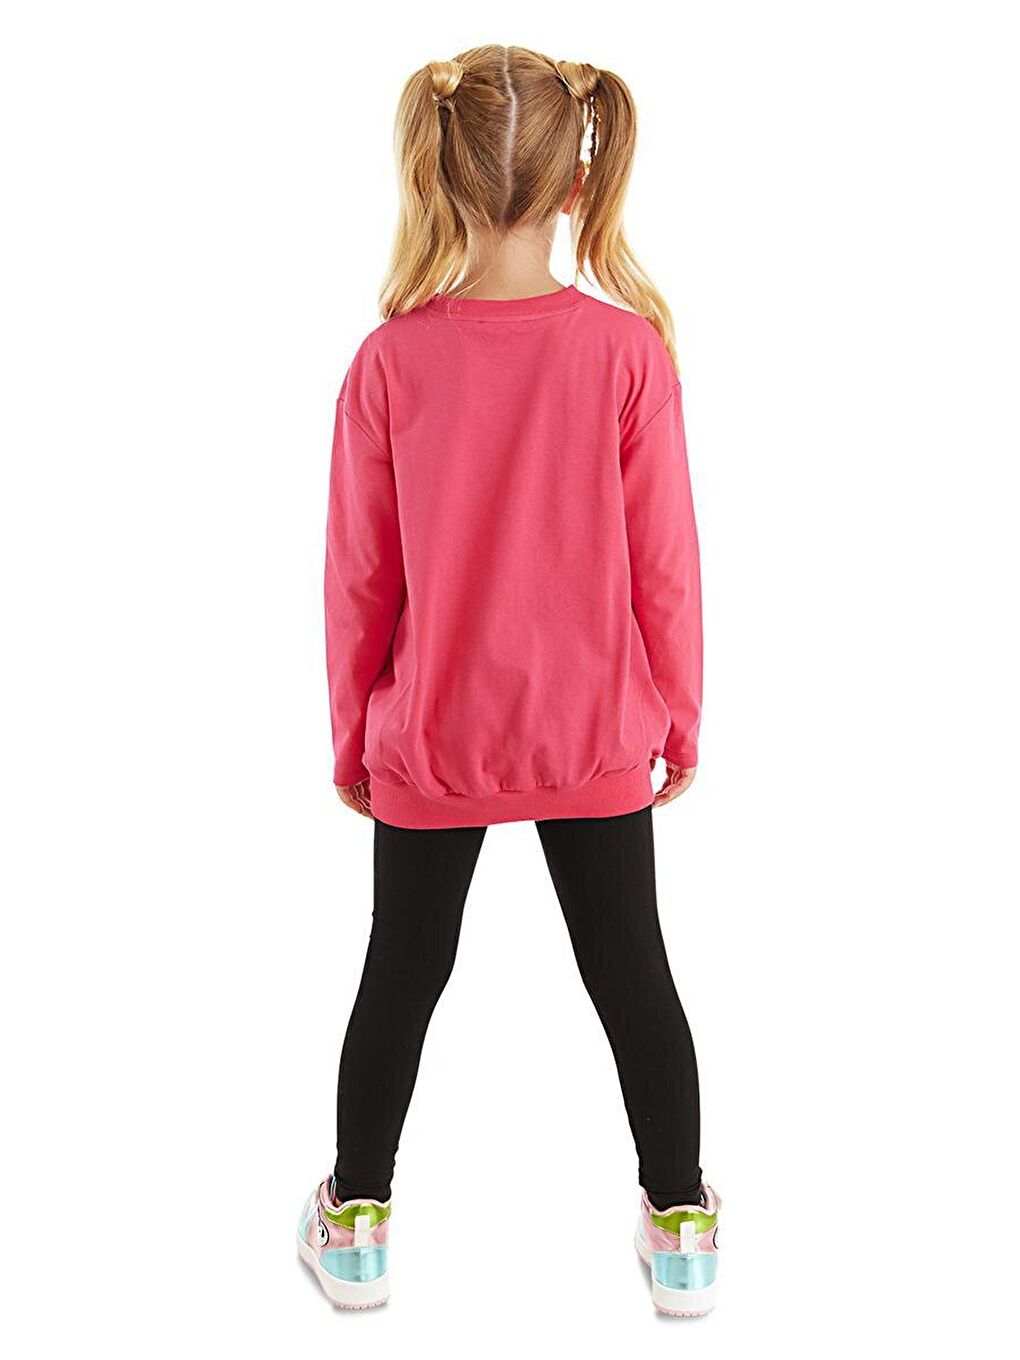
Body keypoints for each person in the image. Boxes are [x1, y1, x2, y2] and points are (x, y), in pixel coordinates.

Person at [296, 44, 720, 1317]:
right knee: (634, 975)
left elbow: (359, 578)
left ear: (436, 174)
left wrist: (352, 738)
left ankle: (355, 1224)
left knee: (400, 974)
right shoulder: (627, 354)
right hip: (595, 734)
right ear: (578, 183)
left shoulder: (389, 363)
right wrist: (680, 717)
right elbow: (668, 562)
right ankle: (684, 1227)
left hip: (435, 740)